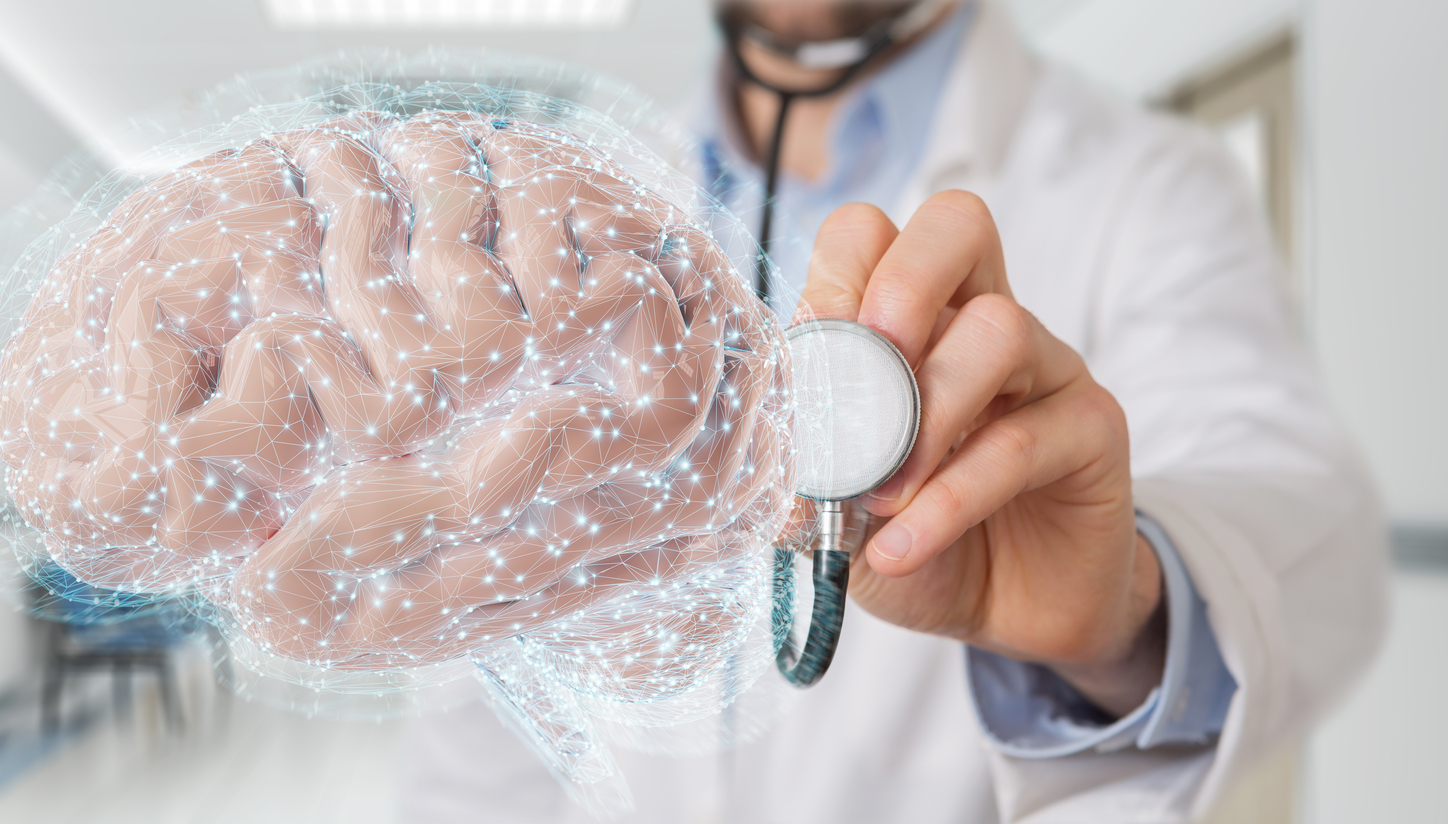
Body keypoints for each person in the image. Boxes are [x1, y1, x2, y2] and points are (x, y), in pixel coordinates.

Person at [394, 0, 1389, 820]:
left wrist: (1124, 604)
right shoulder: (551, 233)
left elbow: (1316, 544)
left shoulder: (1144, 189)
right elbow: (481, 706)